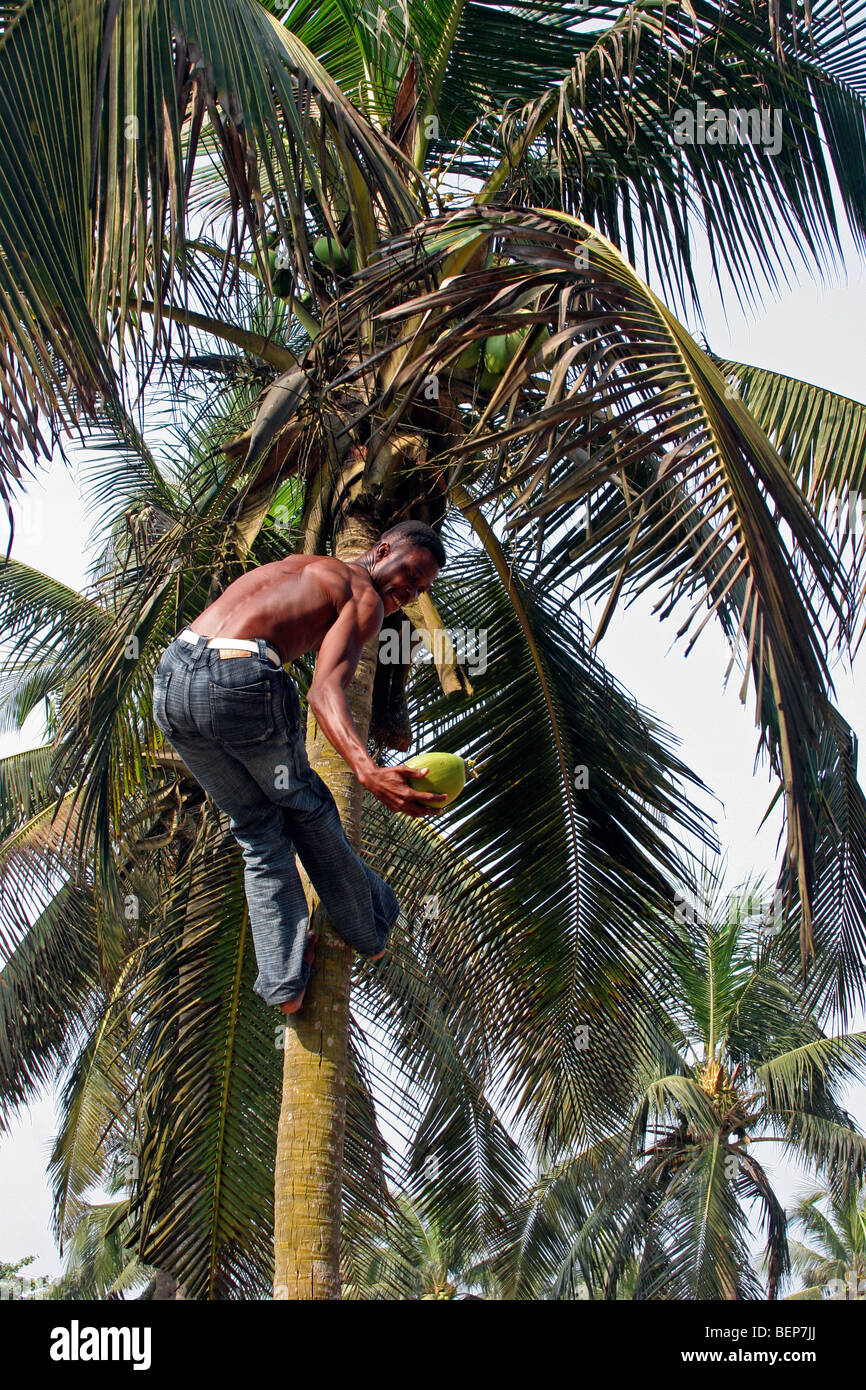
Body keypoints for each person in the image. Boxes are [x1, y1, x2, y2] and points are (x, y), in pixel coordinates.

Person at [151, 520, 448, 1015]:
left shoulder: (296, 569)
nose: (411, 592)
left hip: (173, 682)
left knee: (257, 827)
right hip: (239, 677)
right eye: (411, 574)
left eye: (421, 589)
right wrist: (368, 771)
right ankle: (369, 927)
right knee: (308, 808)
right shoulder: (364, 597)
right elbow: (323, 692)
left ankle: (286, 984)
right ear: (382, 551)